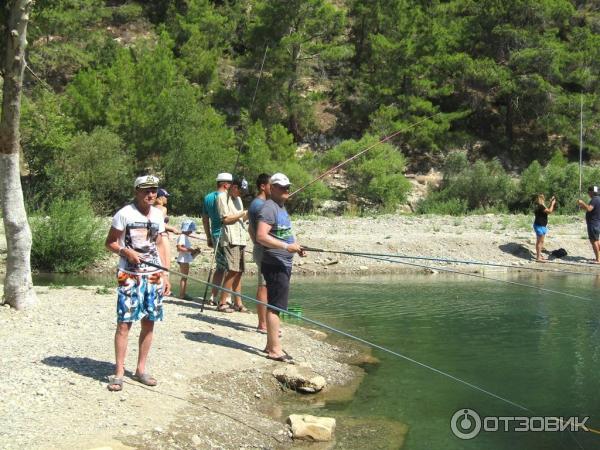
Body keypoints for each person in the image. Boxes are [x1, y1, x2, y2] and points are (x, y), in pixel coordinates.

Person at [105, 175, 171, 392]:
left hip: (153, 275)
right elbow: (110, 242)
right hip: (129, 275)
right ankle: (119, 372)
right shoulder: (124, 214)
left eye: (153, 190)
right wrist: (125, 251)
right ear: (136, 192)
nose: (150, 194)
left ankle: (141, 369)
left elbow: (161, 243)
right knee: (124, 323)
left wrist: (166, 275)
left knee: (149, 321)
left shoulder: (158, 215)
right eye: (145, 190)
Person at [256, 173, 305, 362]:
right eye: (282, 187)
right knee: (276, 307)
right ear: (272, 188)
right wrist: (286, 247)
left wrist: (296, 247)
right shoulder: (269, 208)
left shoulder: (281, 207)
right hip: (275, 263)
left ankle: (270, 345)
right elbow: (261, 236)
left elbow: (284, 234)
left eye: (288, 187)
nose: (286, 190)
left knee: (276, 305)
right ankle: (275, 350)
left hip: (283, 262)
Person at [216, 178, 249, 313]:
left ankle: (238, 303)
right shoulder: (222, 197)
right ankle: (222, 302)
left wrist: (249, 214)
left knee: (239, 271)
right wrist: (242, 213)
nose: (242, 193)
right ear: (234, 187)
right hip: (231, 239)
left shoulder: (239, 199)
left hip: (241, 238)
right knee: (232, 270)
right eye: (240, 190)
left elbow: (241, 219)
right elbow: (226, 219)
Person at [202, 173, 231, 305]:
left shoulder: (207, 197)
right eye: (230, 184)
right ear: (226, 184)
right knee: (231, 268)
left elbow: (205, 219)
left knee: (220, 267)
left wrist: (208, 236)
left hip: (214, 234)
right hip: (226, 235)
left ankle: (213, 297)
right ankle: (226, 298)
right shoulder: (226, 197)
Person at [248, 173, 271, 332]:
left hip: (259, 247)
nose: (275, 188)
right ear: (263, 186)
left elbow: (251, 228)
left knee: (266, 285)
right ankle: (263, 324)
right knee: (264, 286)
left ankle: (264, 323)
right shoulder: (260, 206)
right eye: (272, 185)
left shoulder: (256, 204)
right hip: (264, 250)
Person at [177, 219, 200, 299]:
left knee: (185, 277)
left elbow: (185, 250)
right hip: (183, 259)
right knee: (184, 277)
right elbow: (179, 248)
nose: (191, 232)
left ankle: (183, 293)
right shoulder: (182, 236)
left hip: (185, 259)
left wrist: (195, 252)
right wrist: (190, 250)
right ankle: (182, 295)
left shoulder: (185, 237)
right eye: (190, 230)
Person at [577, 185, 600, 263]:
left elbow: (589, 209)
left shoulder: (594, 199)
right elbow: (590, 209)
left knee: (593, 241)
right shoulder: (598, 199)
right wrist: (582, 205)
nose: (588, 194)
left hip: (593, 223)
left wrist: (582, 202)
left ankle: (598, 259)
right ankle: (598, 257)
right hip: (596, 223)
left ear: (591, 192)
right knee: (596, 240)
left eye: (588, 192)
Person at [532, 194, 556, 262]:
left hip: (540, 225)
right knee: (540, 242)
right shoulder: (541, 206)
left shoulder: (540, 206)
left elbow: (546, 211)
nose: (544, 199)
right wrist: (553, 204)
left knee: (539, 241)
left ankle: (538, 255)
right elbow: (550, 211)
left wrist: (551, 203)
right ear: (541, 199)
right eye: (542, 198)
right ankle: (538, 258)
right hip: (540, 226)